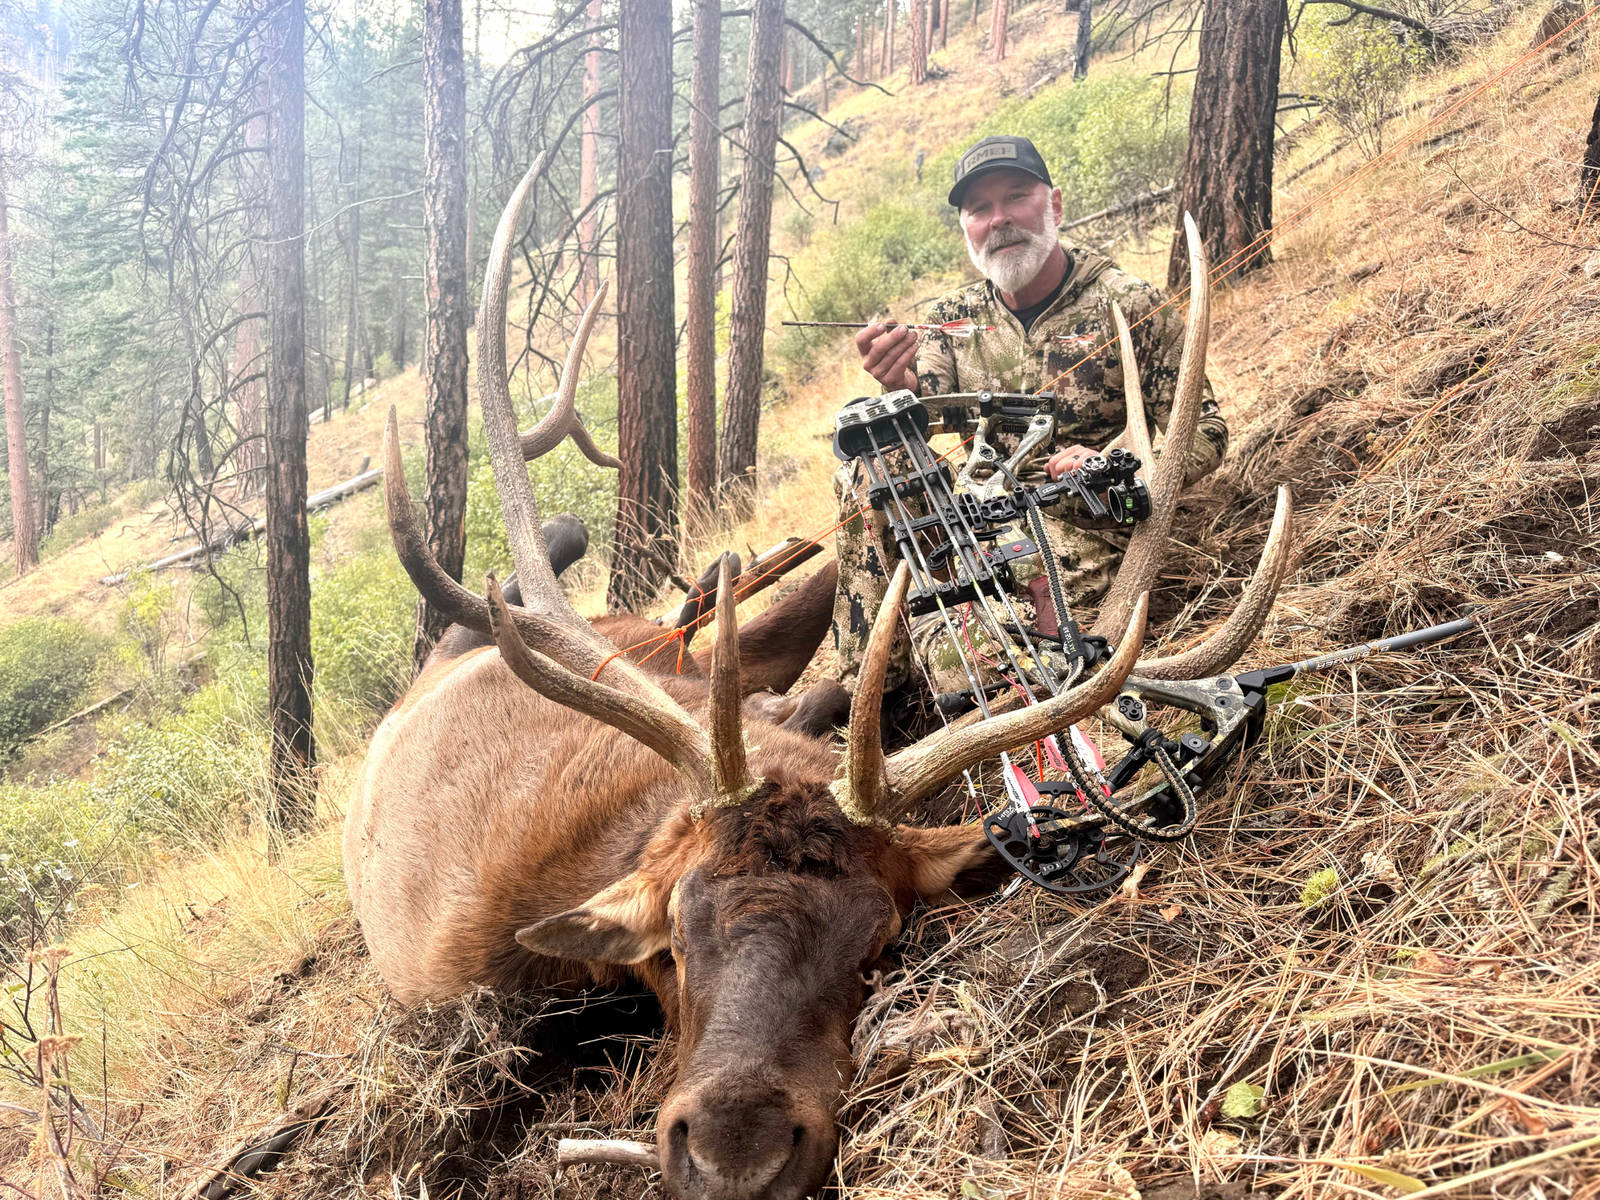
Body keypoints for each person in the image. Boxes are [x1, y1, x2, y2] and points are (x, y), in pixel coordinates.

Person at [831, 134, 1229, 702]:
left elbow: (1208, 432)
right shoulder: (952, 320)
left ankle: (990, 658)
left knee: (958, 660)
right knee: (869, 460)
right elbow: (929, 405)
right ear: (966, 227)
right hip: (979, 514)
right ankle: (870, 691)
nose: (1000, 220)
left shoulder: (1128, 303)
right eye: (979, 209)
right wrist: (900, 384)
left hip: (1079, 521)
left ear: (1055, 205)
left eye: (1016, 197)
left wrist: (1121, 465)